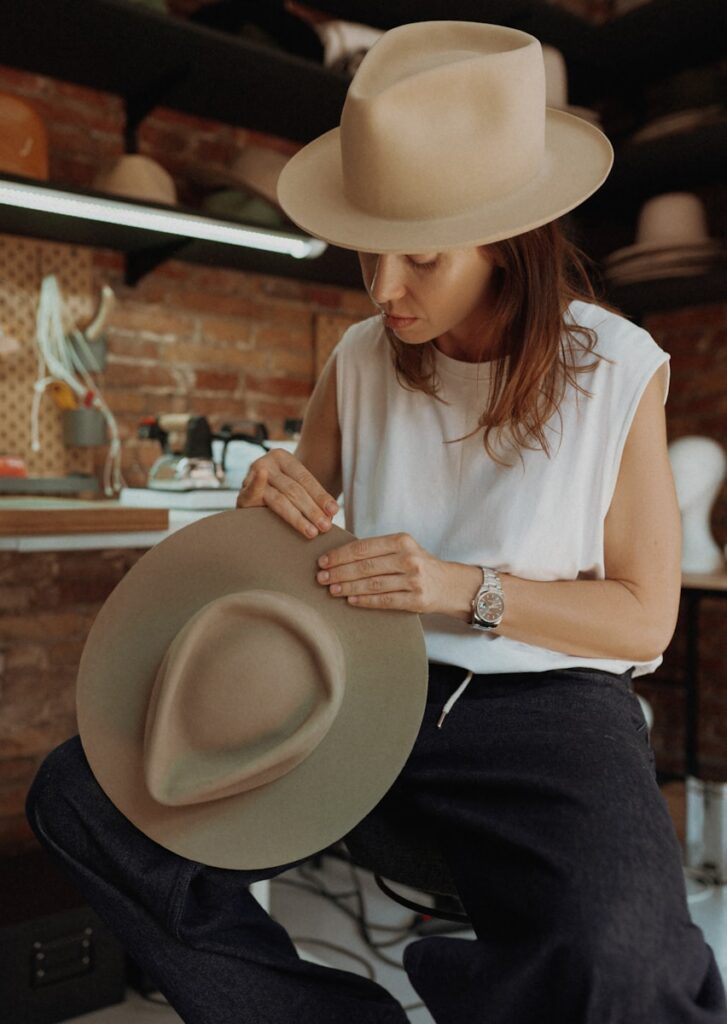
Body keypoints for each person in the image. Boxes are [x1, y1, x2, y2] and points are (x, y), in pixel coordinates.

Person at [25, 20, 726, 1024]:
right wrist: (265, 488)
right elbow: (282, 530)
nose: (384, 290)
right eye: (368, 252)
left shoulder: (617, 368)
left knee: (628, 965)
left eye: (421, 260)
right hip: (359, 684)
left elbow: (643, 619)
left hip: (550, 709)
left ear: (504, 237)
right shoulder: (359, 359)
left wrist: (455, 585)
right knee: (77, 802)